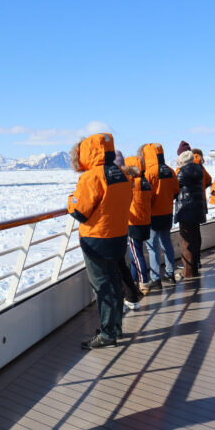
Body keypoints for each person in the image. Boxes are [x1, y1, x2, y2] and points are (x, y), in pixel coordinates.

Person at [68, 132, 133, 348]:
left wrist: (71, 199)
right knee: (113, 283)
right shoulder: (120, 173)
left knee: (103, 287)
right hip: (117, 237)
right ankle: (113, 327)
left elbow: (80, 212)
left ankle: (107, 334)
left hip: (96, 240)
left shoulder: (91, 177)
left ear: (88, 152)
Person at [140, 142, 180, 286]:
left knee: (152, 247)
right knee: (167, 243)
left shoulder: (149, 172)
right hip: (167, 213)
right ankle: (170, 274)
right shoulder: (170, 170)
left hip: (152, 215)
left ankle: (156, 278)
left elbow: (146, 195)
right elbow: (176, 190)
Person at [113, 151, 144, 309]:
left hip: (115, 228)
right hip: (123, 226)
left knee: (117, 265)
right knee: (121, 263)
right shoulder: (130, 179)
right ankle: (131, 297)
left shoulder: (117, 179)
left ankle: (125, 298)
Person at [123, 153, 153, 295]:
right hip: (145, 221)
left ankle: (143, 282)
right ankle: (134, 280)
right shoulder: (145, 181)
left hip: (134, 223)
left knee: (136, 255)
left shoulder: (132, 182)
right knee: (136, 254)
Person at [174, 148, 207, 277]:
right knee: (195, 238)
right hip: (197, 209)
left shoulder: (182, 172)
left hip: (186, 209)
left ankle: (188, 272)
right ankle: (194, 267)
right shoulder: (199, 170)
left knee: (186, 241)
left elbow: (175, 188)